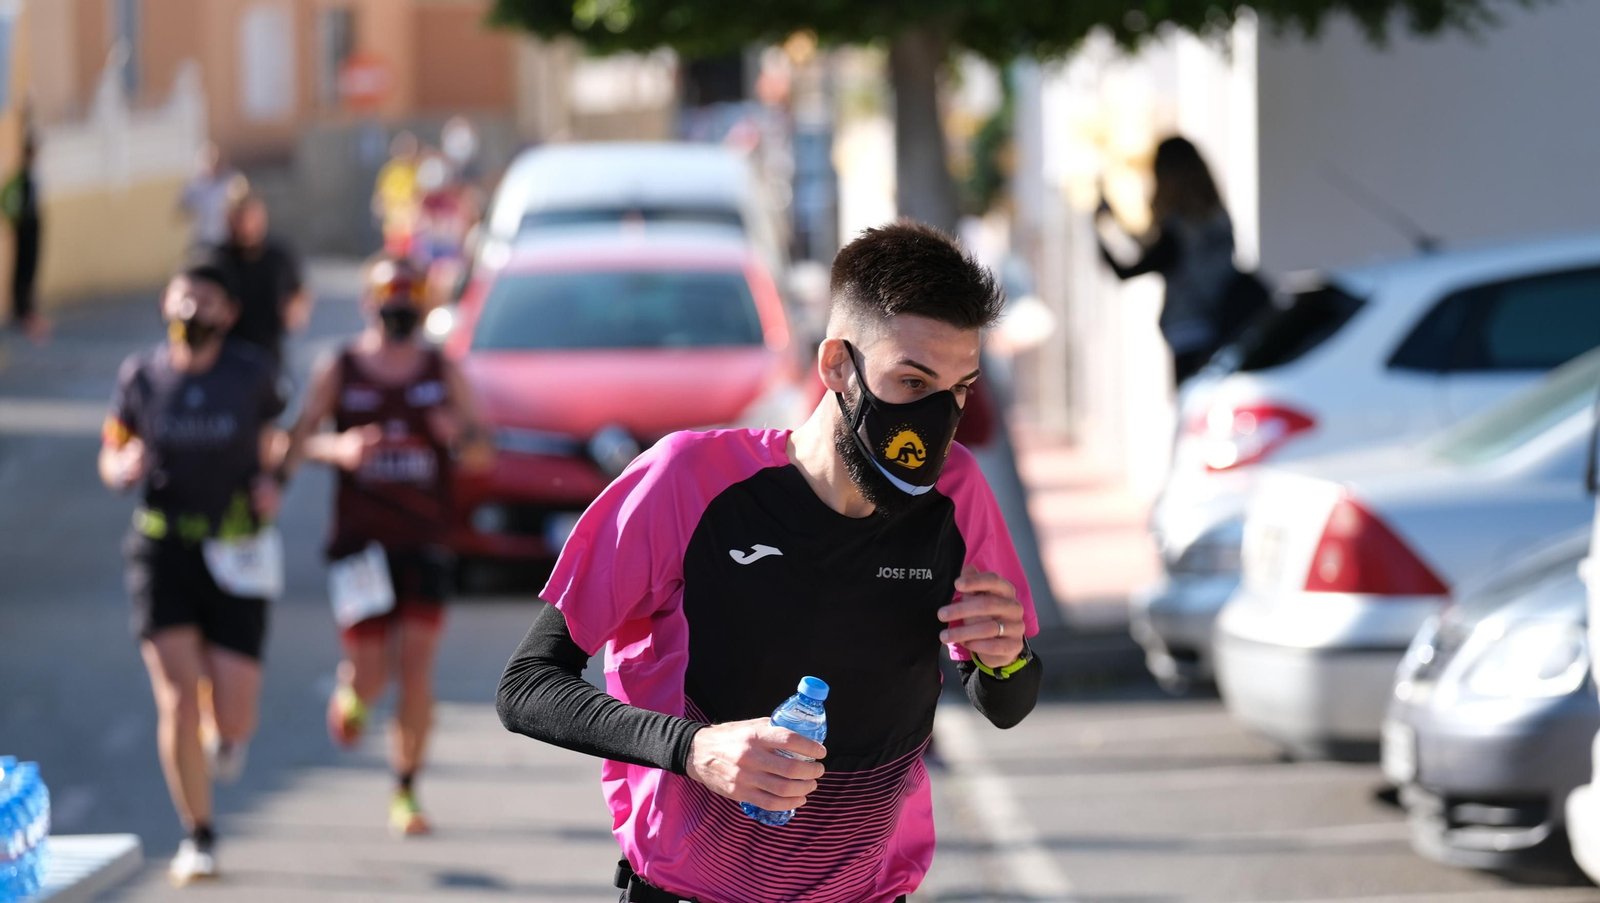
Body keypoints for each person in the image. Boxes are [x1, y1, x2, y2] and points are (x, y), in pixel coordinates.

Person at [497, 222, 1044, 903]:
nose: (935, 420)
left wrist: (1006, 655)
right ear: (837, 365)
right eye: (911, 381)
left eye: (958, 390)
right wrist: (694, 749)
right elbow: (526, 685)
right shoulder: (687, 479)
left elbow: (1007, 699)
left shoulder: (957, 494)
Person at [280, 257, 491, 836]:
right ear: (368, 306)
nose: (397, 314)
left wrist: (457, 437)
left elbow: (482, 453)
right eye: (388, 303)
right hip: (360, 546)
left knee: (418, 668)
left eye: (408, 304)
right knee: (372, 671)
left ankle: (406, 790)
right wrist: (339, 449)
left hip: (425, 541)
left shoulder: (440, 370)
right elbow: (291, 444)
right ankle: (354, 696)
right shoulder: (341, 368)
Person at [98, 264, 286, 885]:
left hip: (237, 551)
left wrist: (270, 484)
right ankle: (198, 835)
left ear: (226, 314)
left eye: (206, 300)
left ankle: (224, 731)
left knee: (233, 718)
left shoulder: (251, 375)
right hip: (162, 550)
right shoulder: (141, 377)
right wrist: (121, 463)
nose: (193, 309)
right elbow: (112, 446)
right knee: (175, 698)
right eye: (184, 297)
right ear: (165, 303)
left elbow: (274, 444)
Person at [1096, 136, 1240, 387]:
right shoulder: (1218, 218)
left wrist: (1099, 229)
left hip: (1192, 330)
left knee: (1195, 408)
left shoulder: (1178, 232)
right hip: (1227, 320)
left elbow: (1128, 269)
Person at [206, 184, 311, 369]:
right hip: (226, 355)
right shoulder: (217, 258)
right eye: (241, 217)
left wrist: (296, 310)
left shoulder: (279, 255)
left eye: (252, 216)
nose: (247, 224)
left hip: (269, 354)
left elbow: (298, 292)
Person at [3, 133, 47, 343]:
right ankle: (22, 311)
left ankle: (26, 309)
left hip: (31, 230)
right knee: (23, 270)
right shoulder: (21, 178)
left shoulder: (31, 175)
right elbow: (8, 200)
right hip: (26, 230)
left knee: (29, 269)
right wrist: (15, 220)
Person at [178, 143, 237, 249]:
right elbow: (182, 208)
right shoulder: (196, 185)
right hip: (204, 239)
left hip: (227, 239)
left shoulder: (230, 181)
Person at [373, 132, 421, 259]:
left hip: (411, 228)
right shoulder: (389, 171)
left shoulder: (416, 170)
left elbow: (420, 197)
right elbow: (380, 198)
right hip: (393, 227)